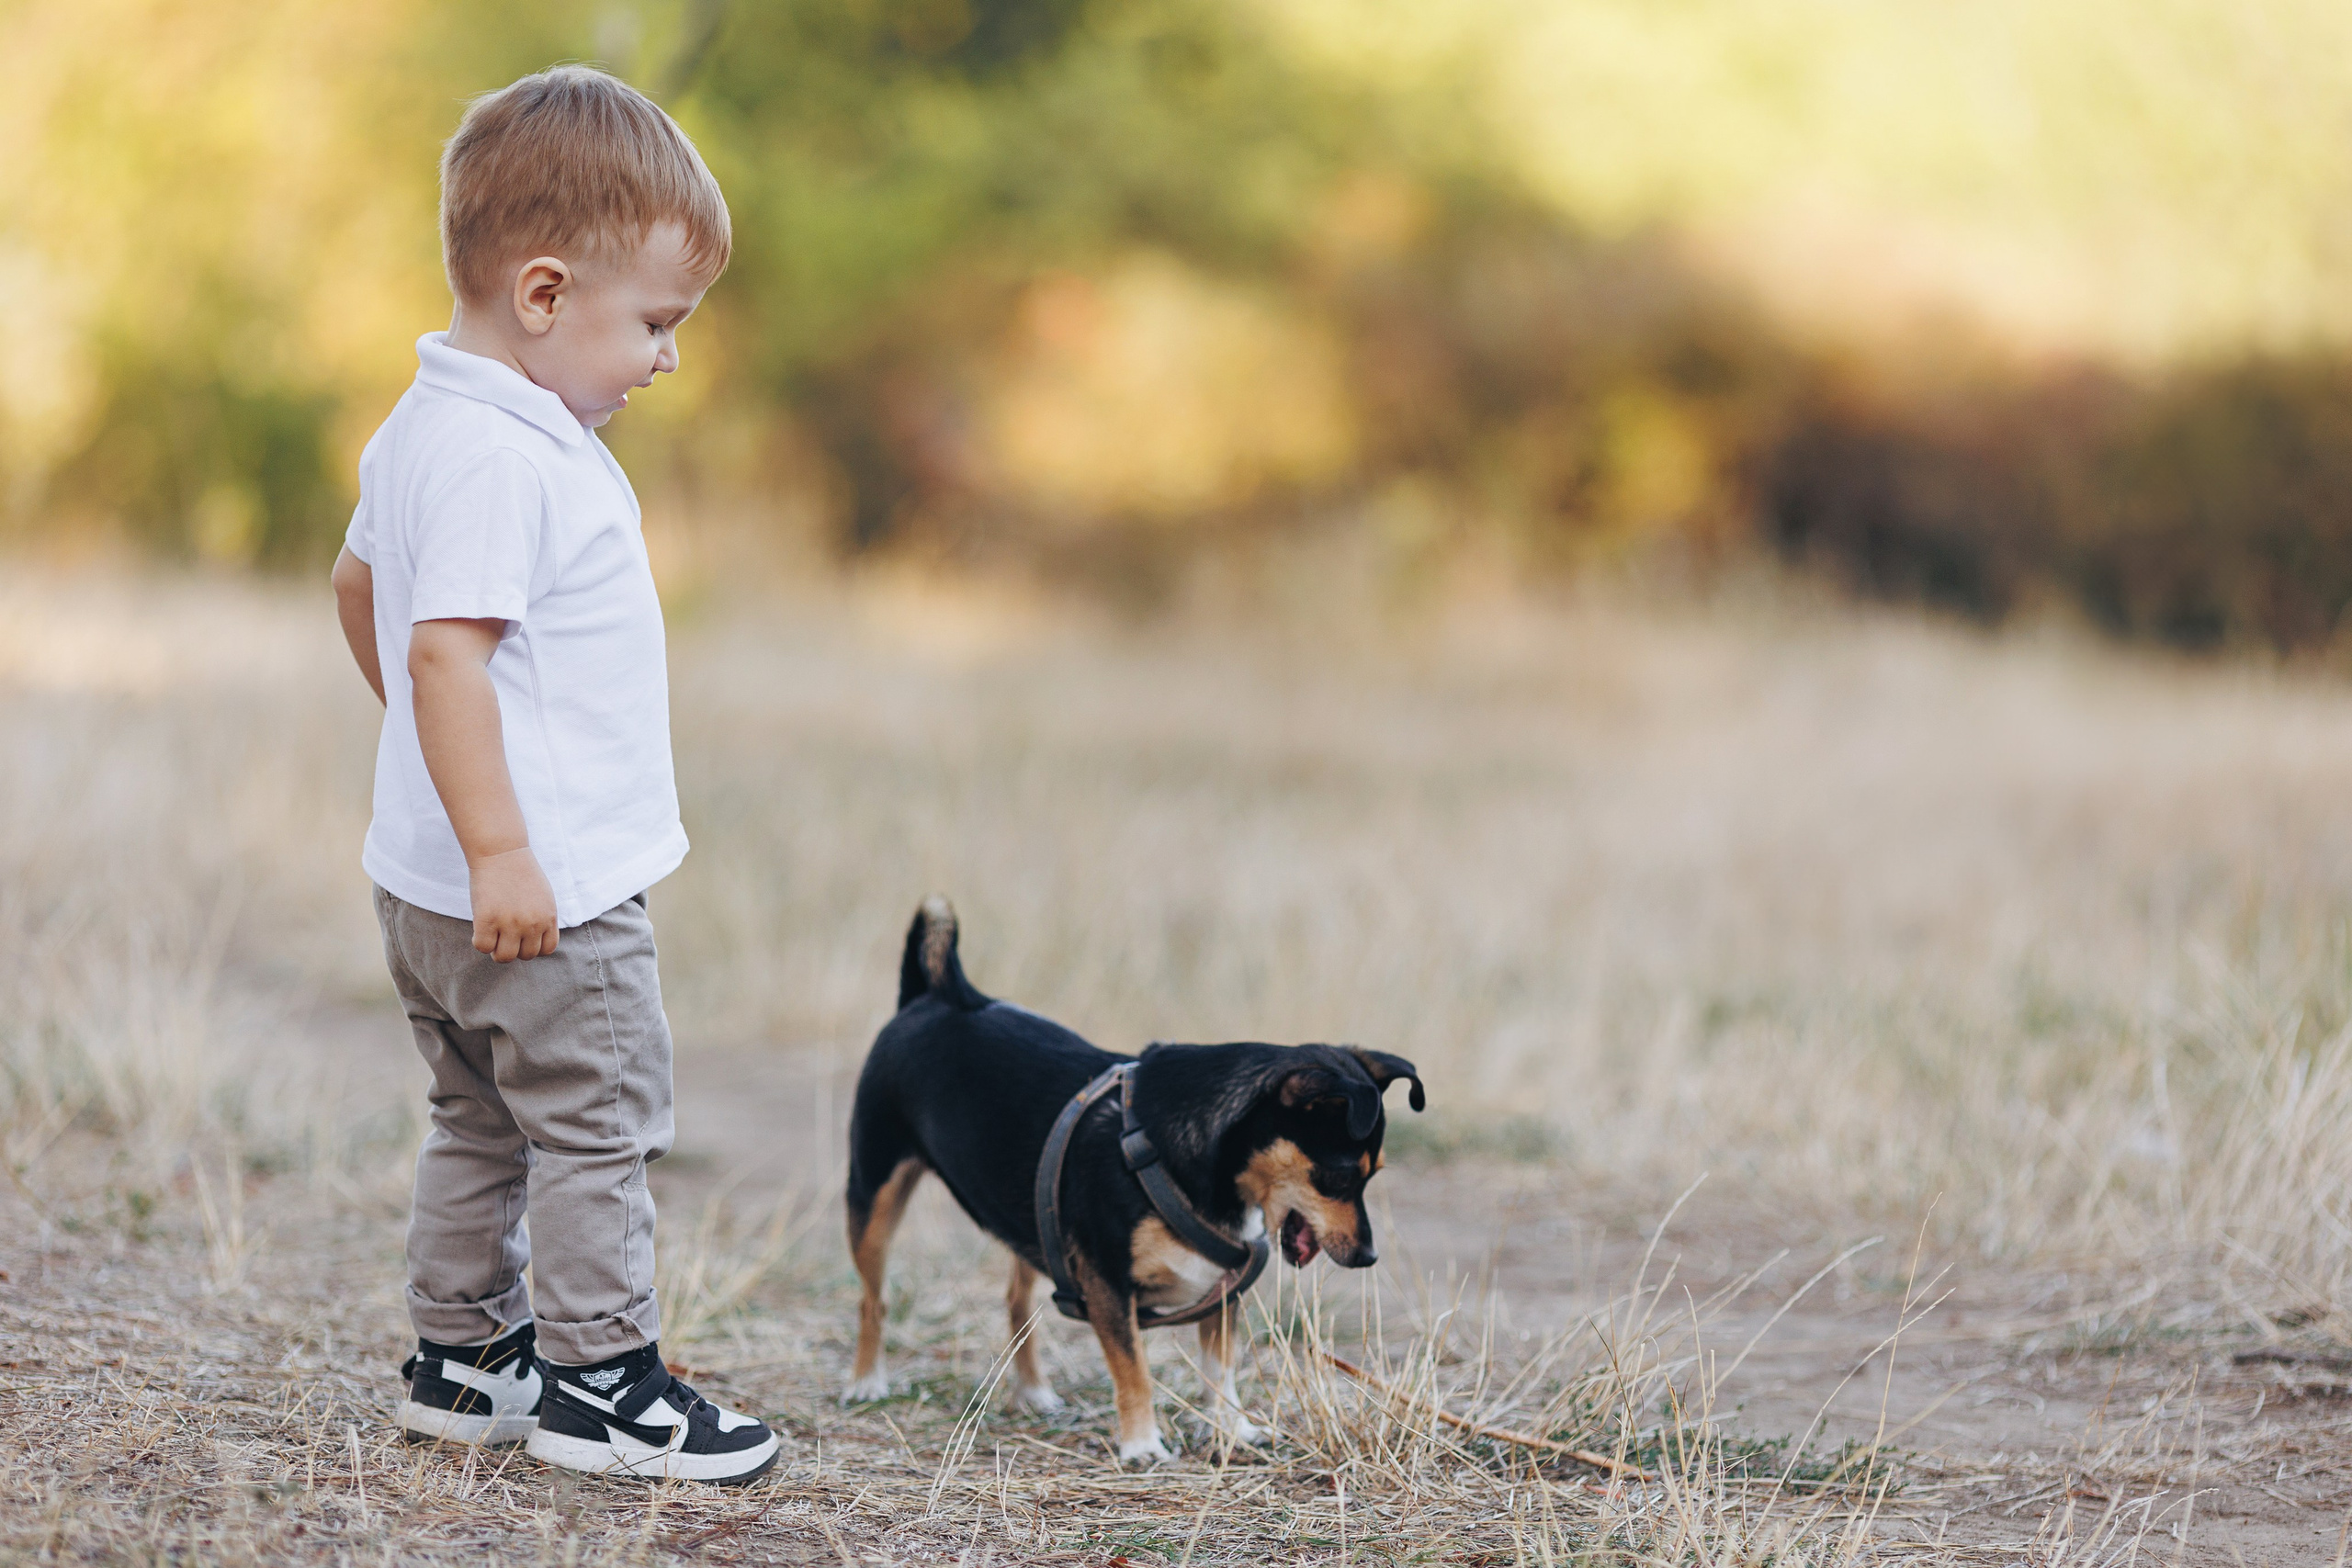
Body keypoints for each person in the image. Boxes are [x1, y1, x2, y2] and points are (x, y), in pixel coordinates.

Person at [329, 64, 777, 1485]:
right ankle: (604, 1383)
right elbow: (445, 656)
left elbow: (359, 591)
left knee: (476, 1116)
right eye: (653, 323)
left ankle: (464, 1359)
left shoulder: (422, 425)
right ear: (540, 295)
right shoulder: (505, 457)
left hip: (430, 891)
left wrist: (435, 774)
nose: (667, 358)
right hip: (547, 894)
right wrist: (506, 841)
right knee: (594, 1130)